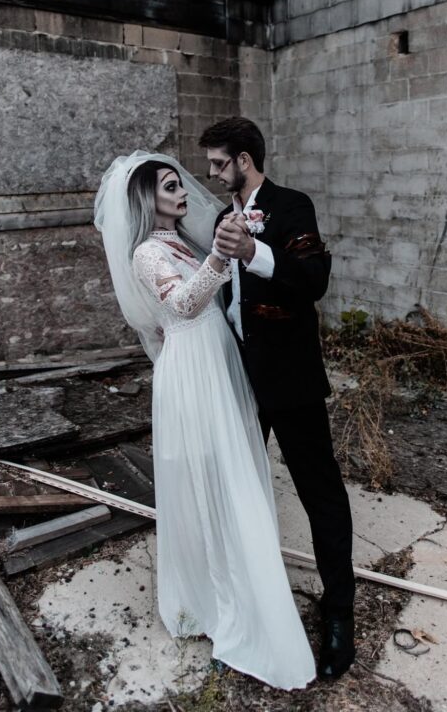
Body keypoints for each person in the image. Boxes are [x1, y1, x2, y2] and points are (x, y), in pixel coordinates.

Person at [94, 151, 315, 690]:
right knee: (207, 482)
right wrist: (219, 258)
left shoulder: (179, 243)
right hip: (193, 374)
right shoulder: (147, 252)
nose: (183, 191)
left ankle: (236, 589)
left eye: (179, 183)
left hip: (214, 363)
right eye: (171, 186)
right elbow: (185, 305)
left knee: (228, 475)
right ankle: (214, 603)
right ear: (150, 199)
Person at [198, 117, 356, 680]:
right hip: (239, 381)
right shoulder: (220, 218)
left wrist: (256, 252)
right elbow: (219, 294)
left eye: (219, 163)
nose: (213, 174)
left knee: (320, 493)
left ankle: (340, 614)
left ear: (245, 159)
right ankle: (245, 611)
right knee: (237, 491)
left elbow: (313, 280)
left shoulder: (292, 205)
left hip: (290, 380)